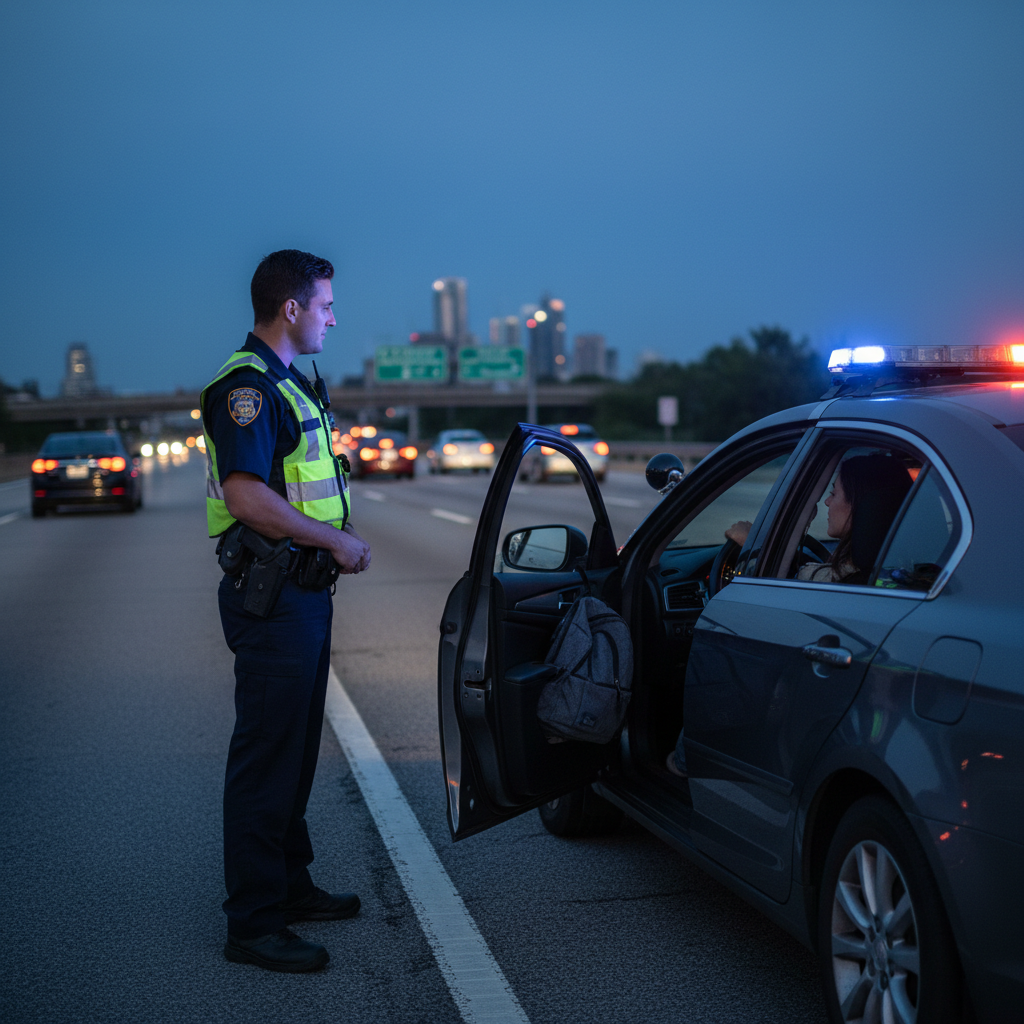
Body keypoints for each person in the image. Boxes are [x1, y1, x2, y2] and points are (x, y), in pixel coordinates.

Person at [201, 249, 371, 973]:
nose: (334, 317)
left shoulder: (289, 384)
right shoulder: (248, 389)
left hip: (302, 592)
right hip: (272, 597)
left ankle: (289, 883)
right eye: (326, 305)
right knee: (267, 757)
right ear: (291, 308)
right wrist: (333, 538)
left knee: (296, 750)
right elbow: (245, 496)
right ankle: (254, 921)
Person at [665, 452, 912, 778]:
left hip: (811, 707)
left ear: (862, 508)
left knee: (728, 654)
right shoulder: (897, 572)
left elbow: (780, 581)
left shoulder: (833, 582)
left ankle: (683, 764)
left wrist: (755, 543)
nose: (826, 501)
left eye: (834, 493)